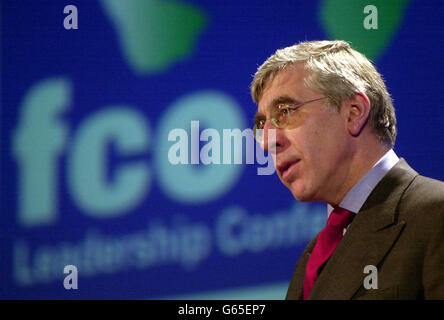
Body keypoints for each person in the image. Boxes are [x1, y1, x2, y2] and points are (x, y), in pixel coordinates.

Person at [250, 40, 444, 300]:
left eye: (285, 111)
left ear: (353, 113)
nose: (267, 141)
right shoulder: (311, 259)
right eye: (262, 124)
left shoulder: (435, 217)